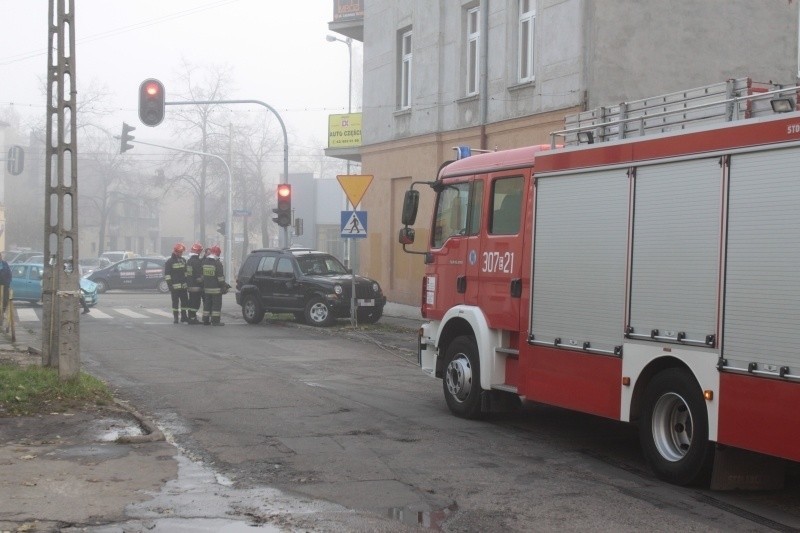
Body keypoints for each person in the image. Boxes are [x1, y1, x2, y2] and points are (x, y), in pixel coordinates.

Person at [201, 245, 226, 326]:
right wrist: (224, 286)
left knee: (207, 304)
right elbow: (220, 278)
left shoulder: (205, 262)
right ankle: (215, 321)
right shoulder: (217, 263)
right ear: (218, 253)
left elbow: (203, 275)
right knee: (216, 305)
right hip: (216, 289)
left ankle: (205, 320)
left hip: (207, 288)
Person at [164, 243, 189, 324]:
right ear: (175, 252)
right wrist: (170, 285)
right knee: (175, 303)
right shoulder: (169, 262)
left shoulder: (183, 260)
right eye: (180, 252)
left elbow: (186, 273)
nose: (181, 253)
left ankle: (184, 317)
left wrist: (187, 282)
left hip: (183, 287)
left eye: (182, 252)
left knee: (184, 302)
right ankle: (175, 317)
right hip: (174, 287)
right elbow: (167, 275)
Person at [185, 242, 204, 325]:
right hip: (196, 286)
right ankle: (193, 318)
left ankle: (191, 317)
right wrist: (203, 279)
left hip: (190, 285)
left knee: (191, 301)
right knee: (196, 303)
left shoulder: (189, 261)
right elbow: (198, 276)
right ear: (199, 252)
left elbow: (187, 273)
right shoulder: (197, 262)